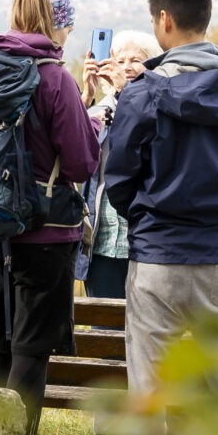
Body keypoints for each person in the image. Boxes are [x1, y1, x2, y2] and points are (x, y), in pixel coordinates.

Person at [101, 0, 218, 402]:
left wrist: (145, 216)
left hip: (158, 256)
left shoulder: (140, 95)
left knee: (149, 392)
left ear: (165, 20)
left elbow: (118, 179)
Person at [0, 0, 99, 435]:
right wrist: (91, 121)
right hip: (45, 236)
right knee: (29, 354)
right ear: (59, 21)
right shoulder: (54, 78)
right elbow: (83, 163)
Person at [77, 31, 155, 300]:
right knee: (104, 330)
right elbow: (72, 157)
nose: (127, 67)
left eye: (136, 60)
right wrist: (86, 96)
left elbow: (148, 140)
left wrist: (128, 93)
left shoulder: (160, 105)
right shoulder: (98, 111)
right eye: (119, 61)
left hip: (146, 244)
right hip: (102, 242)